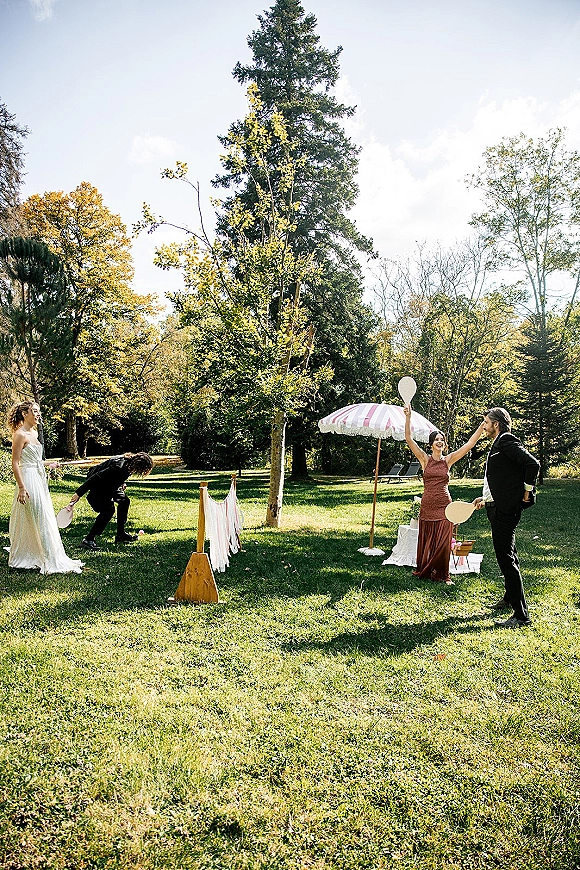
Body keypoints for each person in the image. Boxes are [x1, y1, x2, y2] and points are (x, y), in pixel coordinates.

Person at [473, 407, 539, 629]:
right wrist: (486, 499)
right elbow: (501, 477)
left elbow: (533, 464)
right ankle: (510, 598)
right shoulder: (499, 442)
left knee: (506, 560)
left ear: (497, 424)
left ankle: (521, 615)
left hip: (505, 511)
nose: (484, 426)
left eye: (486, 422)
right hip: (495, 506)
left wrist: (527, 492)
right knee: (509, 555)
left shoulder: (507, 440)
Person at [404, 406, 485, 584]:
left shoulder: (448, 460)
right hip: (427, 504)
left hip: (444, 506)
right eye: (436, 439)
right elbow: (409, 439)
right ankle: (426, 569)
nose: (439, 442)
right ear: (431, 443)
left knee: (443, 541)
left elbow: (469, 444)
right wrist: (408, 417)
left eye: (442, 439)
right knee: (428, 541)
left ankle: (442, 573)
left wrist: (482, 425)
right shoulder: (425, 459)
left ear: (444, 444)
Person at [6, 401, 83, 574]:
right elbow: (16, 463)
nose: (38, 414)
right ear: (25, 414)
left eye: (38, 411)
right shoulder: (20, 434)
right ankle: (39, 556)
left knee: (44, 515)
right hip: (28, 480)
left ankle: (43, 554)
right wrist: (21, 487)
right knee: (38, 516)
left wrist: (49, 464)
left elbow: (35, 460)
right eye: (34, 411)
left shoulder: (34, 433)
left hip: (39, 479)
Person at [68, 452, 153, 550]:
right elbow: (96, 478)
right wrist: (79, 493)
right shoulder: (119, 466)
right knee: (108, 510)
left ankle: (120, 534)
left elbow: (116, 476)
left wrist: (121, 482)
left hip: (108, 484)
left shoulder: (128, 463)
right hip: (98, 484)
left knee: (124, 501)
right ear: (139, 465)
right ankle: (88, 539)